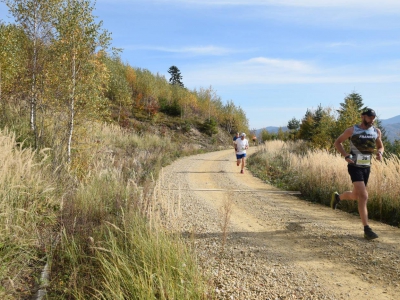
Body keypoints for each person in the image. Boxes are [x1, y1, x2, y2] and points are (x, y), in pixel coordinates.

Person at [331, 108, 384, 240]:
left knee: (356, 195)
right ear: (363, 117)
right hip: (354, 166)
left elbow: (380, 146)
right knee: (364, 196)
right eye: (369, 117)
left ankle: (338, 198)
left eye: (373, 118)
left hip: (367, 167)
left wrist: (380, 153)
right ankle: (367, 229)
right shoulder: (352, 130)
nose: (372, 120)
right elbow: (337, 142)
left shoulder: (376, 131)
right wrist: (346, 155)